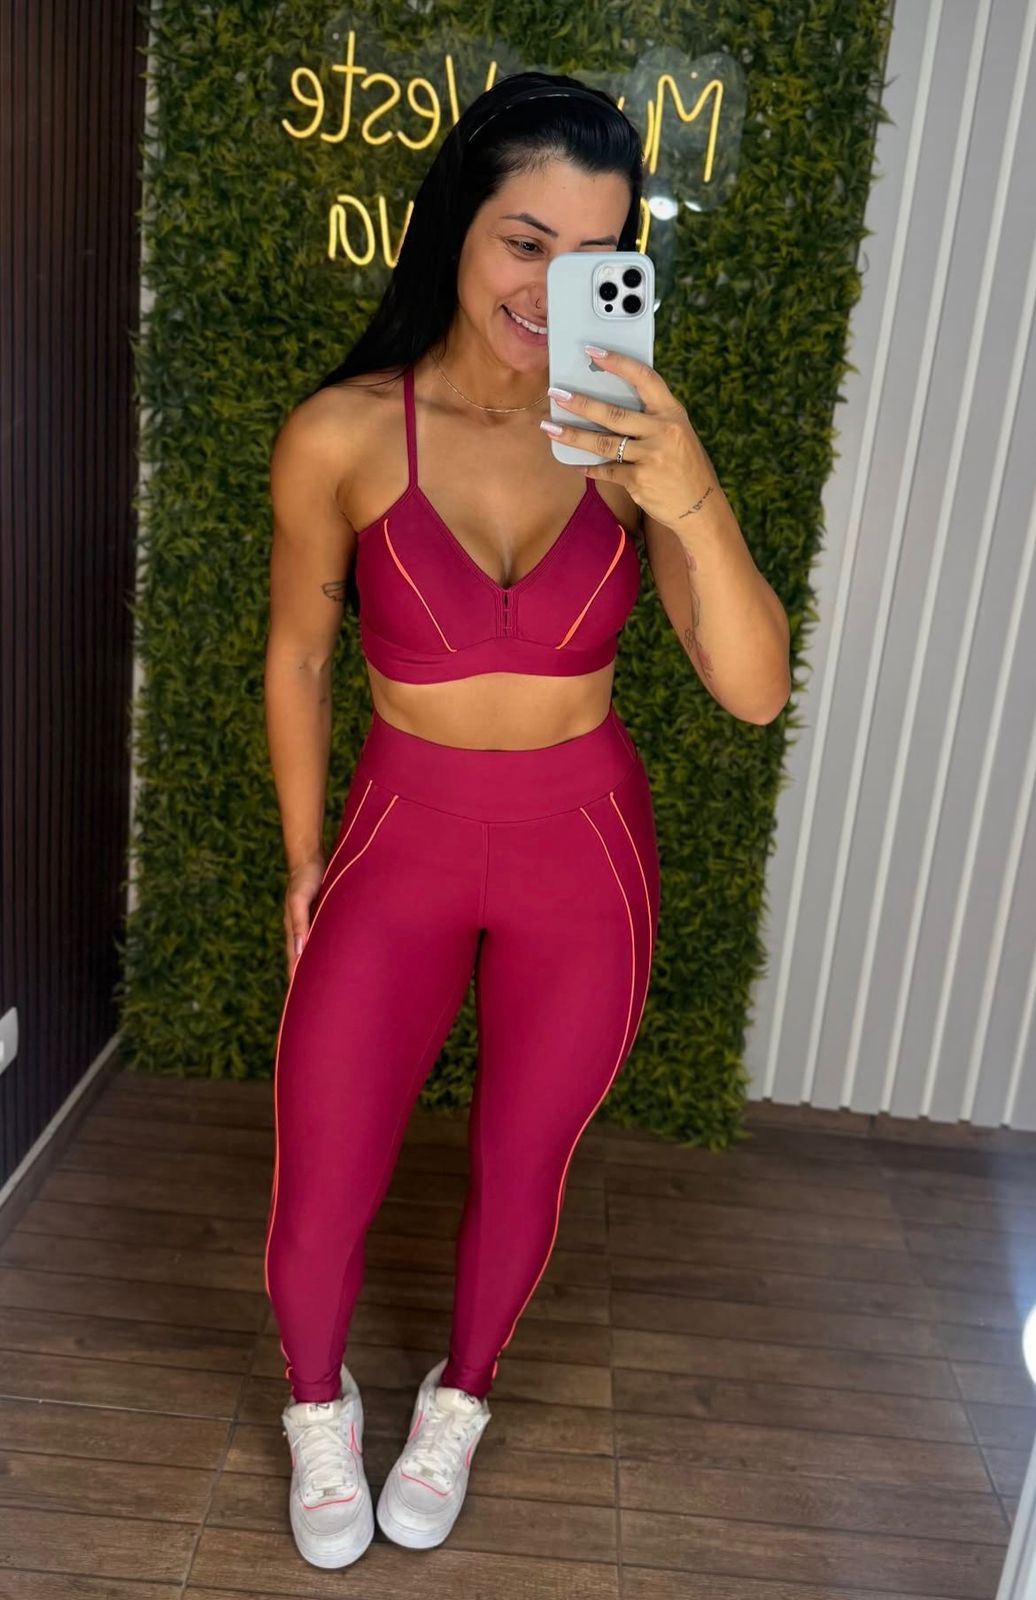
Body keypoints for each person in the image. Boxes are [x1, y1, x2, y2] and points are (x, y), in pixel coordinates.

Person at [263, 69, 661, 1570]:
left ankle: (460, 1401)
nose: (551, 290)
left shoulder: (629, 442)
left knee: (524, 1160)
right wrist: (305, 862)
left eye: (595, 257)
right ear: (456, 227)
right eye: (524, 242)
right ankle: (319, 1409)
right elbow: (300, 655)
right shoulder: (344, 432)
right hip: (401, 836)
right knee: (324, 1170)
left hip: (584, 850)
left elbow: (751, 677)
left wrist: (674, 474)